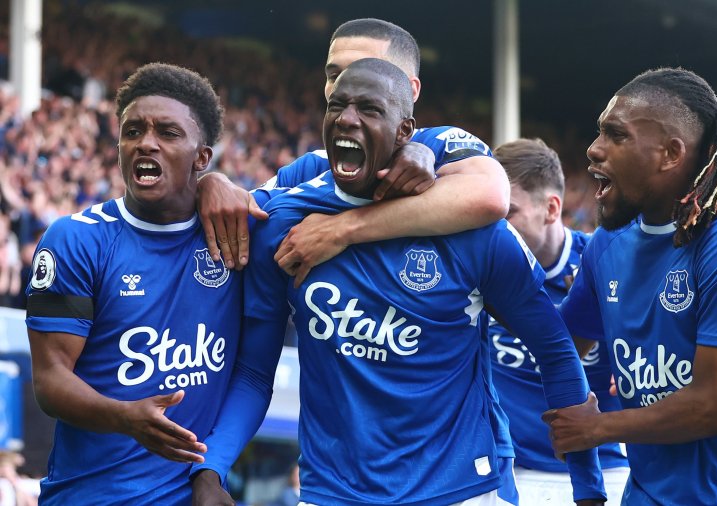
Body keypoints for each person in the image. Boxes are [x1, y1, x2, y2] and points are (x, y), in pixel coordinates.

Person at [191, 58, 605, 506]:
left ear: (407, 132)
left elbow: (556, 351)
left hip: (459, 490)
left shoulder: (475, 231)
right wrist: (212, 469)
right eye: (338, 106)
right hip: (332, 493)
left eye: (369, 109)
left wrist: (588, 491)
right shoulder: (283, 225)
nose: (348, 118)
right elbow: (254, 372)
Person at [24, 63, 243, 505]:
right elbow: (50, 382)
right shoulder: (76, 239)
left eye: (168, 133)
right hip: (89, 496)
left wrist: (210, 473)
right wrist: (125, 417)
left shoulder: (235, 235)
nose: (146, 143)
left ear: (202, 157)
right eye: (133, 130)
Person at [543, 67, 717, 504]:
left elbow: (716, 407)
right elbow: (562, 347)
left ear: (670, 153)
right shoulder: (607, 243)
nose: (593, 149)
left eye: (615, 135)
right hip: (643, 493)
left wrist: (596, 428)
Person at [197, 18, 509, 280]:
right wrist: (212, 183)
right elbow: (249, 215)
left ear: (411, 90)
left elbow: (490, 197)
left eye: (365, 68)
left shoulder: (440, 145)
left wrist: (342, 230)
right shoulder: (313, 167)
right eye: (334, 74)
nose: (343, 84)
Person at [489, 139, 629, 504]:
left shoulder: (604, 265)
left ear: (551, 208)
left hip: (605, 466)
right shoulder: (476, 270)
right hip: (505, 469)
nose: (493, 227)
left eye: (507, 213)